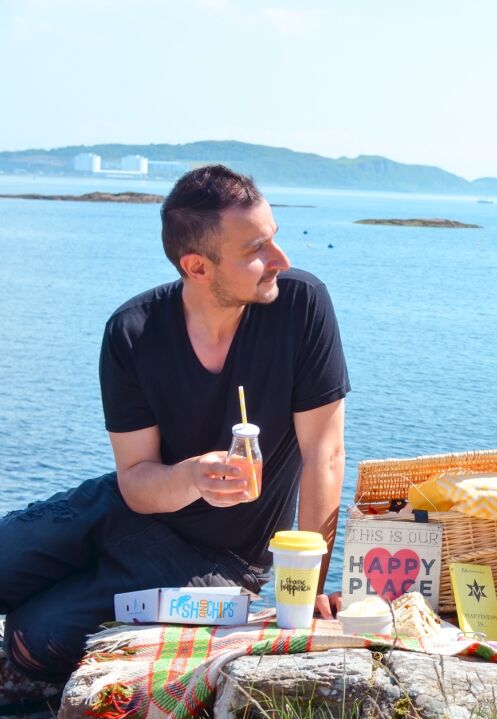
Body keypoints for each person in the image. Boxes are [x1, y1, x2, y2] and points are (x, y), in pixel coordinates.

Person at [0, 165, 350, 685]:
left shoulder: (301, 307)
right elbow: (136, 481)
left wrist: (309, 587)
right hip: (125, 509)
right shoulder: (132, 332)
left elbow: (324, 455)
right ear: (198, 266)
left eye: (274, 238)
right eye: (257, 250)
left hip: (222, 563)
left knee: (32, 640)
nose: (281, 260)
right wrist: (192, 478)